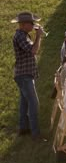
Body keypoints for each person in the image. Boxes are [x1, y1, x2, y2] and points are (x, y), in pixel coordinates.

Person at [11, 11, 46, 141]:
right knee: (33, 103)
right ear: (24, 24)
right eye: (32, 23)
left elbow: (33, 50)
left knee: (24, 103)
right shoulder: (20, 36)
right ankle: (36, 134)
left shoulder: (23, 35)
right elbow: (34, 51)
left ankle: (23, 128)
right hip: (24, 75)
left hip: (24, 74)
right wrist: (38, 36)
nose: (33, 25)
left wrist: (37, 37)